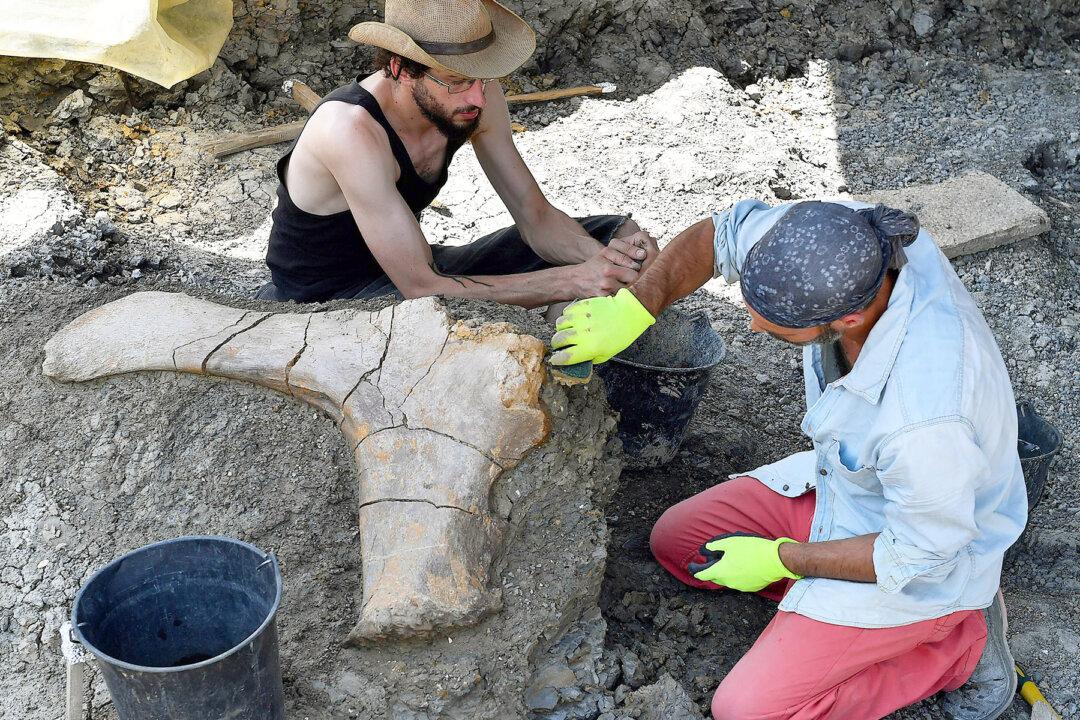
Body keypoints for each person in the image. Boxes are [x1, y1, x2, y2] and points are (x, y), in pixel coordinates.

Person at [551, 200, 1028, 720]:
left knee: (746, 711)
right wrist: (635, 308)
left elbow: (918, 553)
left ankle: (958, 646)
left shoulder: (926, 420)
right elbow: (718, 235)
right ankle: (823, 610)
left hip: (923, 559)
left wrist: (782, 559)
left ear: (848, 318)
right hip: (853, 487)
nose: (753, 324)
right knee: (680, 545)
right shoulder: (843, 239)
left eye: (777, 323)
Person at [256, 0, 657, 306]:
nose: (478, 97)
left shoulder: (473, 96)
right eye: (457, 80)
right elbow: (422, 288)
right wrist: (574, 280)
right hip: (330, 301)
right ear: (401, 69)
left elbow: (535, 216)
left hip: (415, 266)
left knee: (620, 235)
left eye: (482, 77)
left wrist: (604, 260)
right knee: (538, 302)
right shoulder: (349, 130)